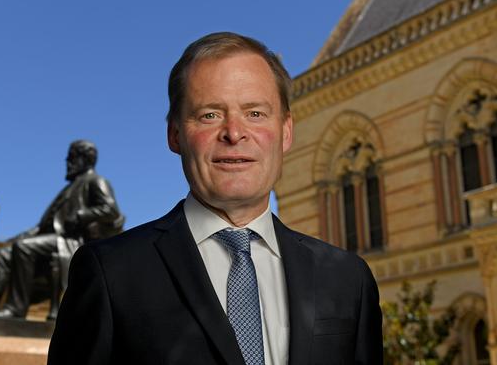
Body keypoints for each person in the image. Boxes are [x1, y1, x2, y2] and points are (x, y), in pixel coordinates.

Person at [48, 33, 382, 364]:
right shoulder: (109, 272)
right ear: (175, 134)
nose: (234, 133)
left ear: (286, 132)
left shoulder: (349, 279)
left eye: (255, 113)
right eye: (210, 114)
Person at [0, 140, 124, 323]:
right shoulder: (69, 188)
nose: (67, 162)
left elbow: (111, 209)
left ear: (85, 159)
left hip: (70, 242)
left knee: (23, 248)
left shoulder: (96, 181)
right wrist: (19, 237)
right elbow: (42, 227)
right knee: (2, 253)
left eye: (72, 158)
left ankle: (15, 309)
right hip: (52, 238)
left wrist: (81, 215)